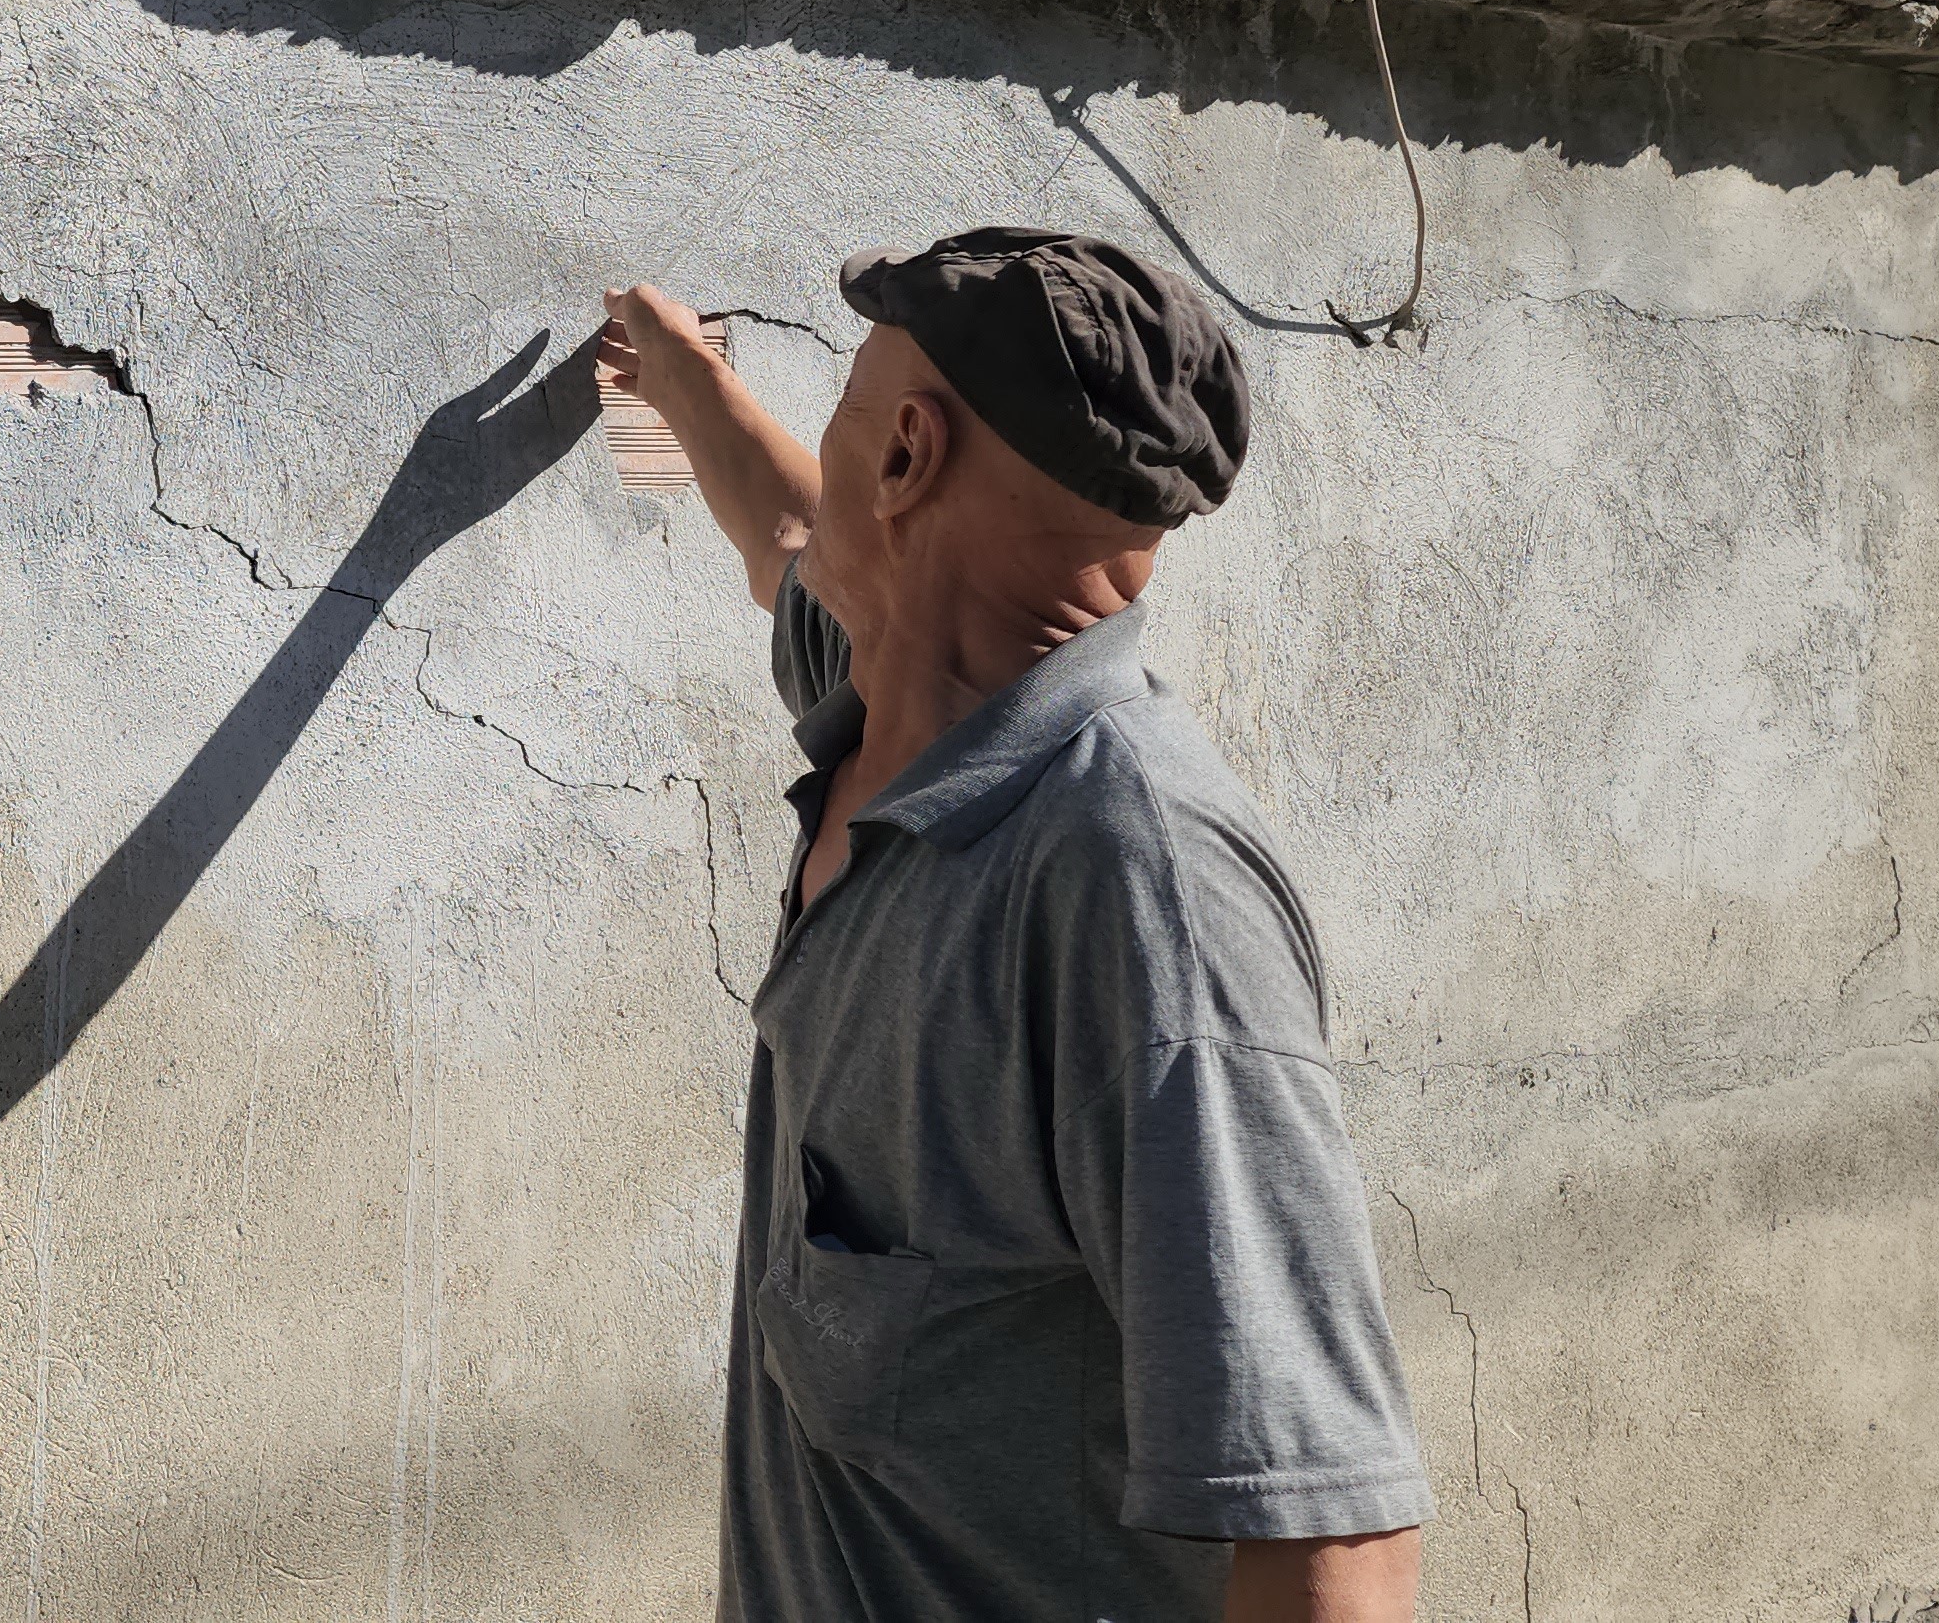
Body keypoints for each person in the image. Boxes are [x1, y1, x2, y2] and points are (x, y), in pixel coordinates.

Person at [599, 231, 1433, 1623]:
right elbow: (787, 538)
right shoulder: (893, 698)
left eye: (853, 396)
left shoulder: (1134, 881)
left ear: (909, 455)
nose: (838, 431)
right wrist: (679, 374)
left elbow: (1331, 1547)